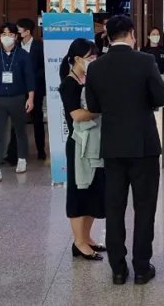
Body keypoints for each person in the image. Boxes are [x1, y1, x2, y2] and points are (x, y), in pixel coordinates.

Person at [85, 15, 164, 286]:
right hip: (143, 144)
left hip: (112, 145)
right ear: (132, 34)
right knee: (145, 207)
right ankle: (142, 268)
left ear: (107, 37)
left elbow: (93, 105)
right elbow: (161, 97)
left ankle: (118, 269)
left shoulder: (96, 66)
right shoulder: (145, 61)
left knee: (114, 207)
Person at [59, 38, 106, 262]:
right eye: (90, 57)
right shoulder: (68, 84)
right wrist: (103, 110)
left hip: (96, 143)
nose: (94, 60)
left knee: (93, 192)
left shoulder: (90, 79)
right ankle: (78, 242)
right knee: (79, 192)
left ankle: (87, 237)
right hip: (79, 145)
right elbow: (77, 115)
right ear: (77, 59)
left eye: (96, 56)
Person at [0, 23, 35, 183]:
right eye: (4, 34)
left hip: (18, 98)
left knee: (20, 130)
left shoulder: (23, 55)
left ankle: (22, 158)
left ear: (16, 37)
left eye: (10, 34)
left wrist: (30, 98)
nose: (7, 37)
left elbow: (29, 78)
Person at [7, 18, 47, 161]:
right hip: (18, 89)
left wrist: (31, 76)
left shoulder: (39, 46)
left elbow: (44, 68)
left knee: (37, 121)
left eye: (18, 31)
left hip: (35, 89)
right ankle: (13, 154)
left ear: (27, 32)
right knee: (16, 121)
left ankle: (41, 151)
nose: (16, 33)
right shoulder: (15, 46)